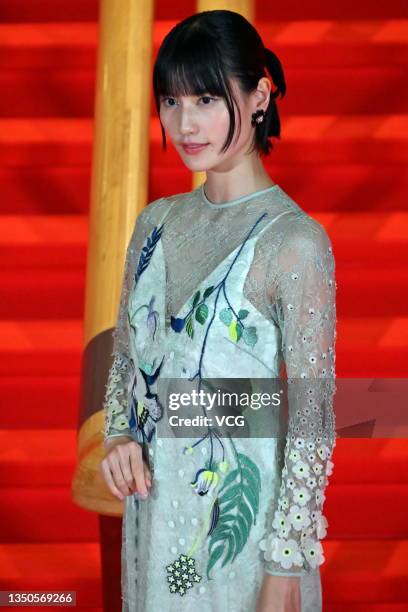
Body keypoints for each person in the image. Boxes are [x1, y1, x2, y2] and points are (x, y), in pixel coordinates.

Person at [100, 9, 337, 612]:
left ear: (259, 97)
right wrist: (119, 434)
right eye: (171, 101)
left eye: (206, 98)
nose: (185, 124)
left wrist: (286, 560)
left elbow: (311, 416)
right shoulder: (154, 222)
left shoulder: (293, 241)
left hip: (242, 532)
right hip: (153, 513)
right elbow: (127, 358)